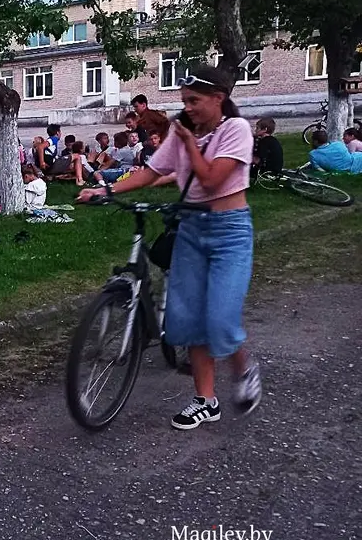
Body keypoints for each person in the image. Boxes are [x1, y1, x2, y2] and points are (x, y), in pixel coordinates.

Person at [77, 64, 261, 431]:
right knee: (188, 320)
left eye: (194, 101)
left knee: (220, 321)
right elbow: (150, 171)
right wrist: (107, 189)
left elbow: (210, 180)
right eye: (184, 101)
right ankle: (205, 401)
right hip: (190, 229)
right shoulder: (182, 133)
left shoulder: (236, 130)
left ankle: (244, 366)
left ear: (218, 98)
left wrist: (189, 142)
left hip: (229, 232)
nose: (187, 108)